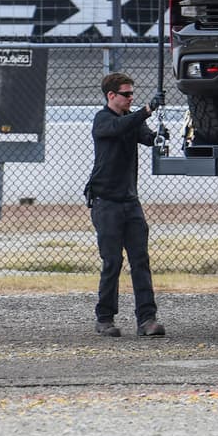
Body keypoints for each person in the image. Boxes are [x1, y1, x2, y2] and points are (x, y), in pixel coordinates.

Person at [84, 72, 167, 338]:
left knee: (140, 260)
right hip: (105, 203)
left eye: (132, 94)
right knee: (112, 261)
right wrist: (147, 110)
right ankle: (104, 318)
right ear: (111, 95)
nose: (131, 98)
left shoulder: (131, 120)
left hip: (130, 202)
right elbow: (119, 127)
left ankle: (147, 319)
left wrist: (160, 135)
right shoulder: (103, 120)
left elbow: (146, 136)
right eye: (126, 94)